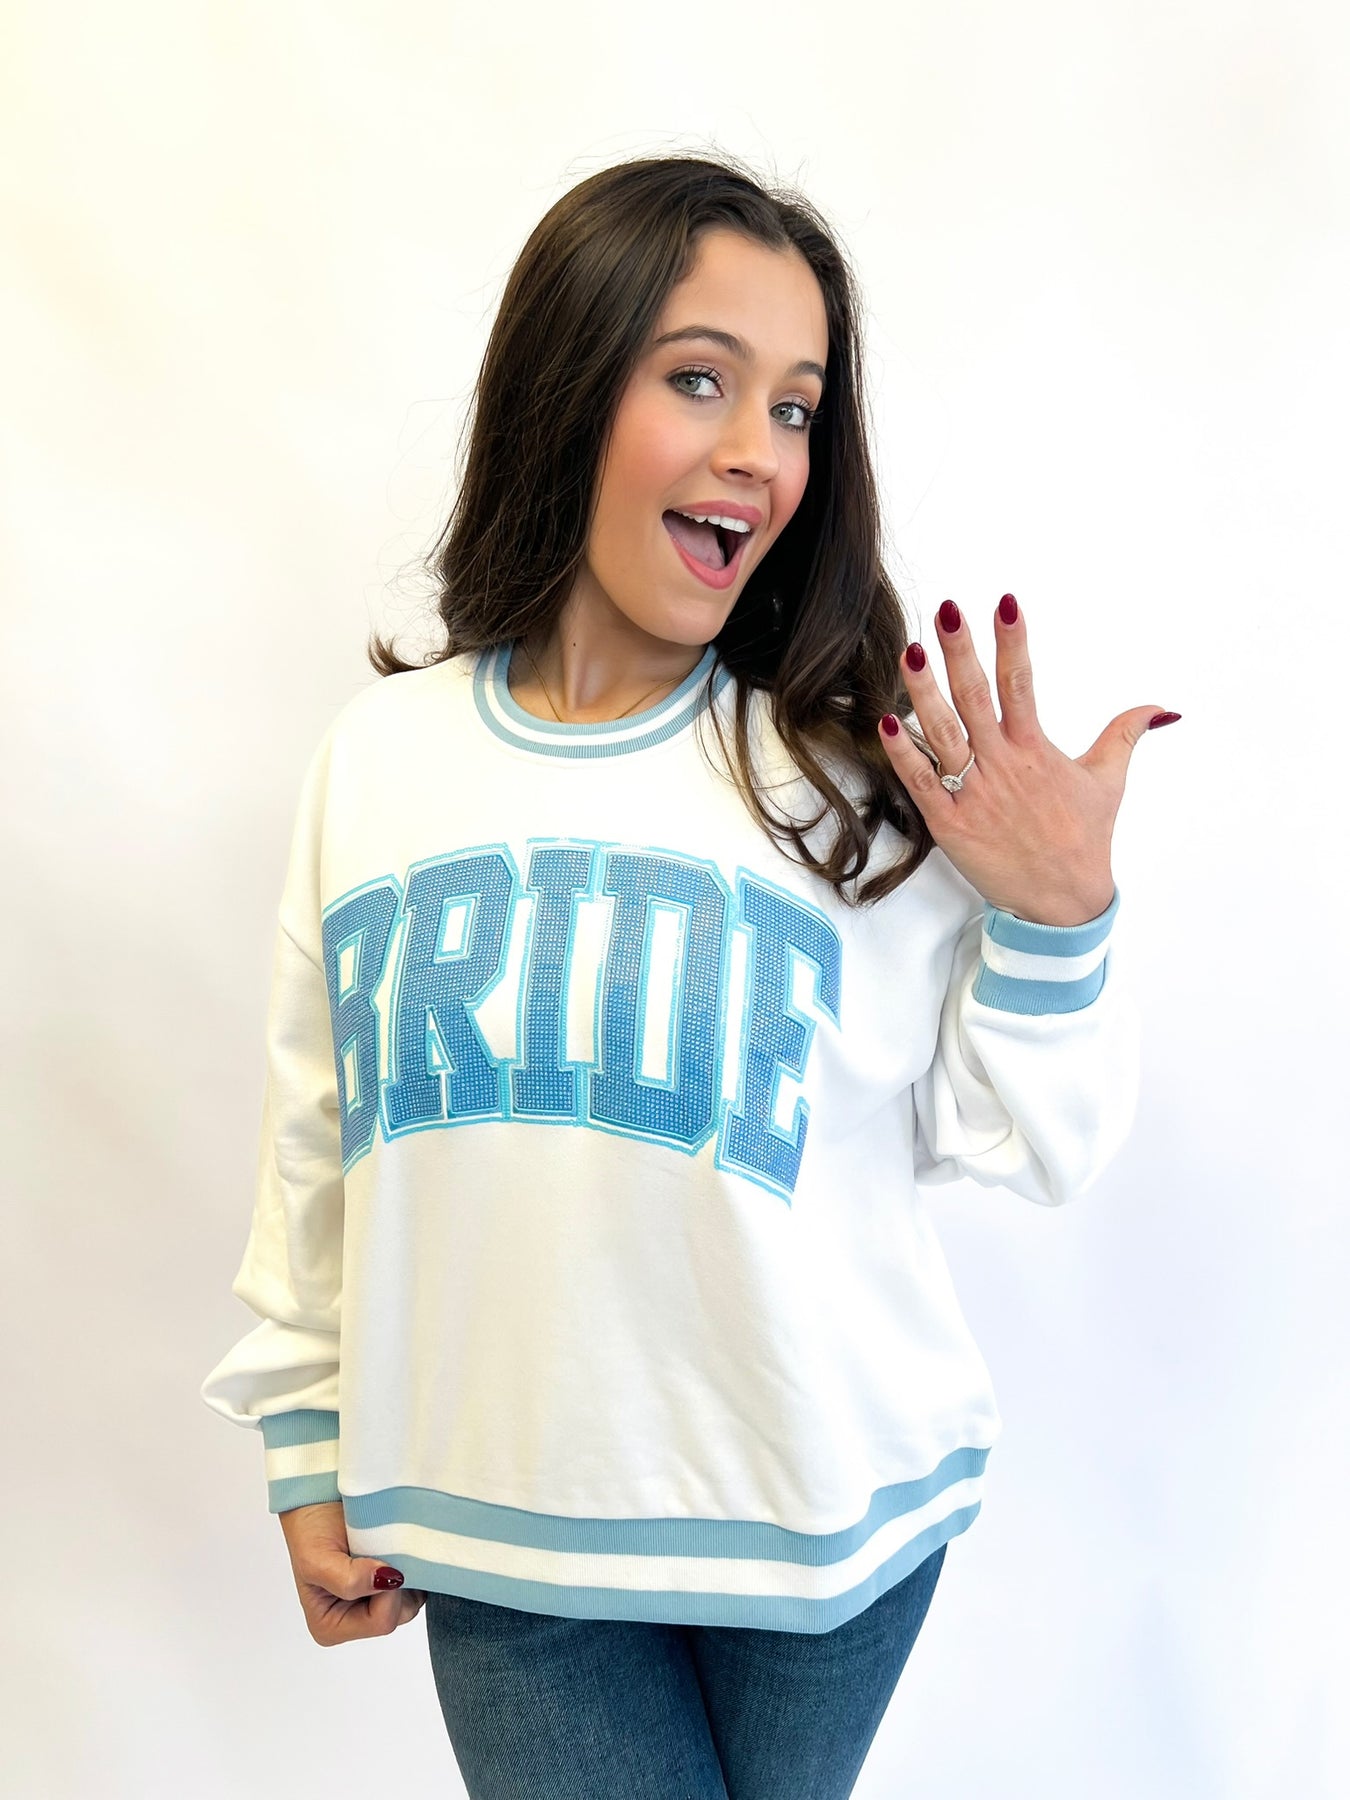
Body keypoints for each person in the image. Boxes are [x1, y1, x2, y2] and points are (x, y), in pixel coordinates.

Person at [200, 151, 1177, 1799]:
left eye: (794, 407)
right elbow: (319, 1133)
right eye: (699, 380)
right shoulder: (381, 760)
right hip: (497, 1523)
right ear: (565, 390)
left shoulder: (853, 770)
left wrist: (1057, 921)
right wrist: (304, 1438)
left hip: (827, 1531)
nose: (756, 452)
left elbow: (1031, 1144)